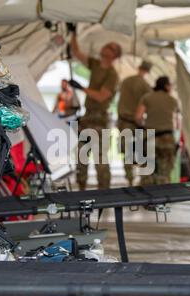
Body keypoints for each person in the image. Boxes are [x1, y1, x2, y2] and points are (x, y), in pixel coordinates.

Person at [68, 32, 121, 190]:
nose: (106, 48)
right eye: (107, 45)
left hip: (99, 119)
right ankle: (81, 186)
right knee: (82, 155)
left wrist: (81, 88)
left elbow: (101, 96)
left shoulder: (112, 75)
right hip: (88, 117)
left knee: (100, 158)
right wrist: (73, 33)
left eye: (111, 48)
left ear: (115, 55)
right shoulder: (96, 64)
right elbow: (77, 53)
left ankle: (104, 190)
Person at [135, 76, 180, 186]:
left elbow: (138, 117)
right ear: (166, 86)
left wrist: (144, 126)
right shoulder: (173, 100)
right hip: (167, 138)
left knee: (147, 171)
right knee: (164, 173)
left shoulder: (147, 98)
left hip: (149, 137)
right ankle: (162, 199)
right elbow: (178, 124)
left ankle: (146, 200)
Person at [117, 61, 153, 186]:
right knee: (142, 150)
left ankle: (129, 178)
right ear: (148, 71)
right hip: (137, 122)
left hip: (123, 121)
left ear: (139, 68)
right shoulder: (145, 85)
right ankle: (143, 178)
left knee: (127, 151)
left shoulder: (125, 81)